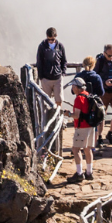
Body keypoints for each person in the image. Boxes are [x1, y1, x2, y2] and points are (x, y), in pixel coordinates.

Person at [33, 28, 67, 159]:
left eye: (52, 39)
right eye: (49, 39)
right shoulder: (42, 46)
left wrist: (62, 73)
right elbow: (39, 62)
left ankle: (58, 120)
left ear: (56, 37)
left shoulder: (60, 46)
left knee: (59, 100)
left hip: (57, 77)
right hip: (46, 78)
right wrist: (41, 77)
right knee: (45, 101)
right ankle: (46, 122)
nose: (51, 41)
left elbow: (64, 60)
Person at [67, 75, 99, 181]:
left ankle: (79, 173)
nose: (72, 88)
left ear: (76, 87)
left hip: (82, 127)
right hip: (91, 127)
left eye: (73, 86)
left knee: (75, 149)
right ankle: (89, 173)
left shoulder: (78, 99)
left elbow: (76, 115)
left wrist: (68, 114)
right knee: (88, 149)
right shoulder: (88, 96)